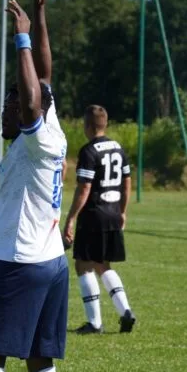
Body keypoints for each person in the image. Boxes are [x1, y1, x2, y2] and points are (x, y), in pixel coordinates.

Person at [0, 0, 68, 372]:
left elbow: (33, 95)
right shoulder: (51, 125)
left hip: (20, 261)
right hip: (50, 262)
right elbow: (44, 78)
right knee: (37, 358)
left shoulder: (37, 139)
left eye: (9, 103)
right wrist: (40, 11)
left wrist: (22, 37)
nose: (5, 110)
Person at [62, 105, 137, 335]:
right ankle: (125, 311)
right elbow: (127, 183)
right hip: (114, 211)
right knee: (103, 265)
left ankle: (94, 323)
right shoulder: (118, 148)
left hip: (94, 214)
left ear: (87, 126)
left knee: (83, 265)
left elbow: (84, 188)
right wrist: (122, 211)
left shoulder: (88, 151)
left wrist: (71, 218)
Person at [0, 159, 67, 250]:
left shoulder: (49, 145)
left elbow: (63, 165)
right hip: (38, 189)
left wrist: (56, 187)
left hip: (43, 192)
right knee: (13, 213)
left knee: (31, 222)